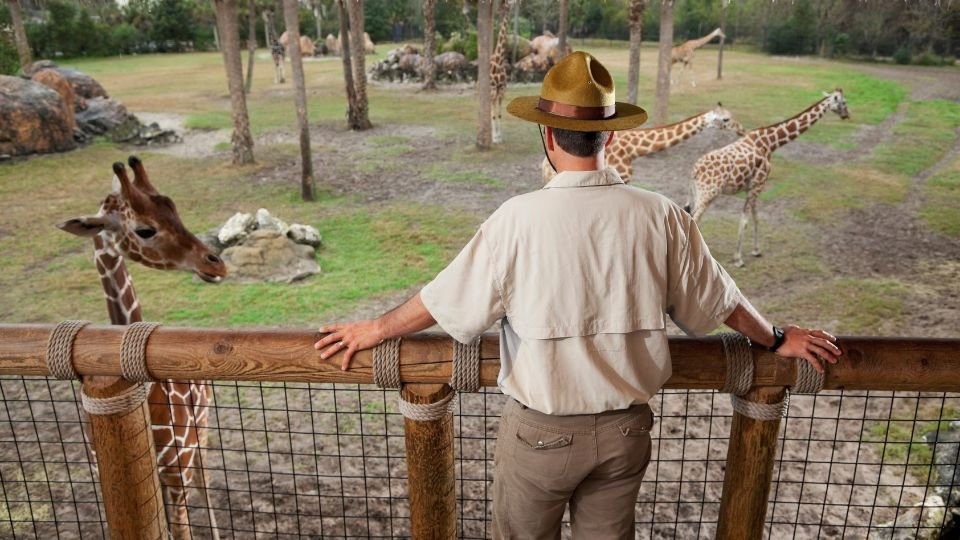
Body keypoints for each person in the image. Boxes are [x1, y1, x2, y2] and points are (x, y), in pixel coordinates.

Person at [314, 51, 842, 539]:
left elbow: (448, 302)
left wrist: (375, 330)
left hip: (540, 436)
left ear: (547, 134)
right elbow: (718, 301)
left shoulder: (515, 221)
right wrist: (775, 338)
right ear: (609, 137)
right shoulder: (661, 215)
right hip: (626, 434)